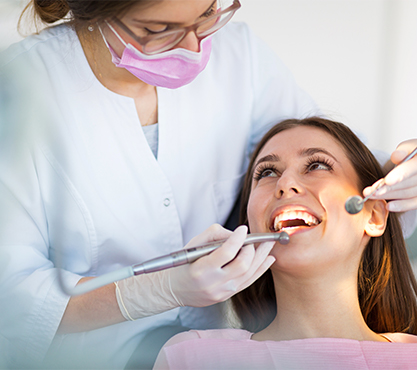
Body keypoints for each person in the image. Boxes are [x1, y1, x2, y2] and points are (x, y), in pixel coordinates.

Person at [0, 0, 416, 368]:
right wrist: (149, 292)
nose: (195, 48)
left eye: (206, 15)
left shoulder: (241, 58)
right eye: (159, 29)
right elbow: (12, 303)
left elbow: (317, 146)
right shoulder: (21, 92)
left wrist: (398, 174)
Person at [153, 117, 417, 369]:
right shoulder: (191, 358)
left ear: (373, 215)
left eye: (317, 166)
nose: (285, 183)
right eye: (267, 172)